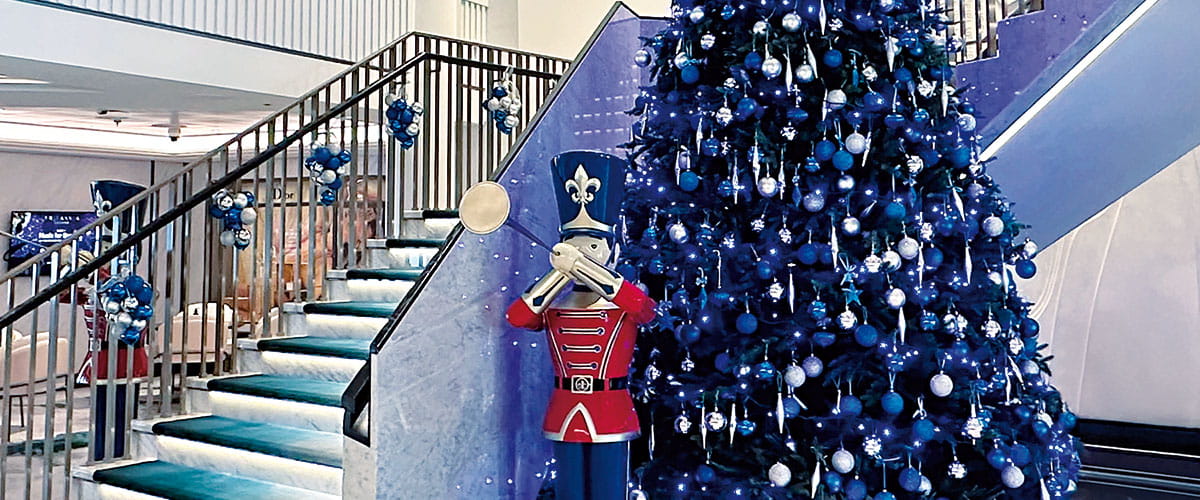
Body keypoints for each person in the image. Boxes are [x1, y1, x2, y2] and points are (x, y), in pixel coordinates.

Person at [506, 151, 656, 500]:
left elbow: (646, 311)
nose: (582, 252)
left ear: (610, 249)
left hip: (611, 410)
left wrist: (584, 267)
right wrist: (558, 274)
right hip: (565, 409)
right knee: (570, 492)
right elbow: (518, 317)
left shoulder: (622, 297)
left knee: (608, 491)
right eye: (574, 245)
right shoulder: (555, 301)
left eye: (592, 245)